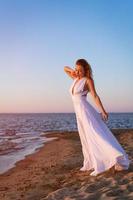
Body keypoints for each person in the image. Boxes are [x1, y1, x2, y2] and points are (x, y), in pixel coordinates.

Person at [64, 58, 131, 176]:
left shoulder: (87, 80)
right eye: (76, 69)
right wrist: (72, 71)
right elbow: (64, 68)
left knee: (94, 135)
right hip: (78, 113)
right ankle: (90, 163)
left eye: (80, 70)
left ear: (86, 70)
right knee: (85, 137)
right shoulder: (75, 79)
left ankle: (105, 161)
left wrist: (103, 111)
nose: (77, 72)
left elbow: (95, 96)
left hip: (85, 112)